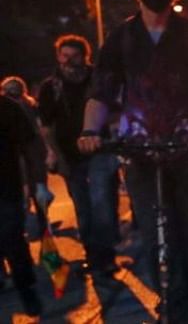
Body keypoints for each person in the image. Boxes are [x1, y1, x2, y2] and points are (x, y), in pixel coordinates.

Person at [77, 0, 188, 324]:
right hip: (139, 146)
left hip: (187, 143)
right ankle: (168, 297)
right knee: (150, 227)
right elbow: (101, 90)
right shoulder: (121, 38)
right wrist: (89, 131)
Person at [36, 34, 121, 274]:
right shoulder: (50, 87)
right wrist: (53, 154)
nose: (69, 61)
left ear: (85, 56)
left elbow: (115, 112)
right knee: (83, 208)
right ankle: (93, 256)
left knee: (102, 202)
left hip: (100, 151)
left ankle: (106, 256)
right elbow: (46, 125)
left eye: (74, 56)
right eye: (64, 56)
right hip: (69, 155)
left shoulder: (99, 80)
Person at [1, 96, 46, 316]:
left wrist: (38, 181)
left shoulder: (6, 107)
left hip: (5, 188)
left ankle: (27, 290)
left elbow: (30, 144)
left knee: (13, 240)